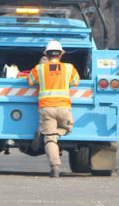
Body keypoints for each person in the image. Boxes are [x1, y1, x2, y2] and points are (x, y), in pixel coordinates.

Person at [28, 39, 79, 178]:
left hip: (46, 108)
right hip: (63, 107)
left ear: (46, 55)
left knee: (50, 139)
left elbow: (31, 80)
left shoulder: (39, 69)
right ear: (61, 55)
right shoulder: (69, 68)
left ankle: (55, 168)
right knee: (68, 127)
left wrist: (42, 64)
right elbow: (76, 81)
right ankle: (52, 133)